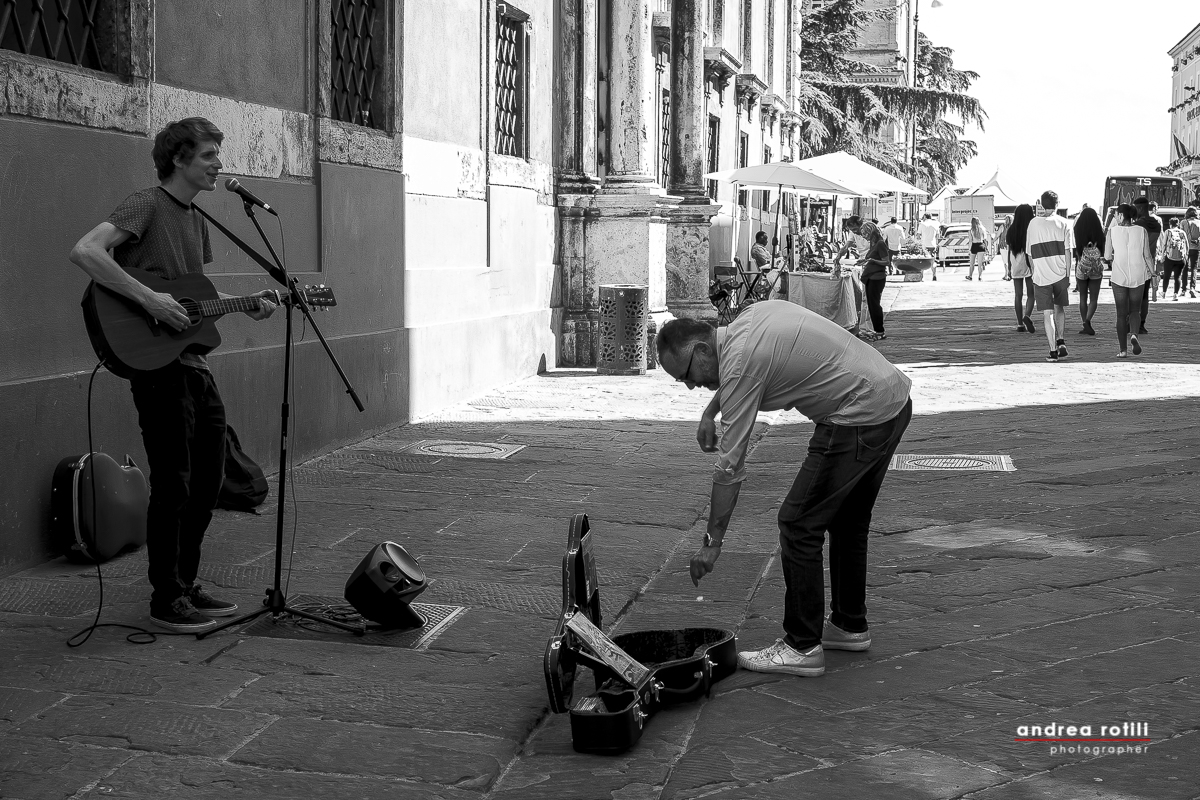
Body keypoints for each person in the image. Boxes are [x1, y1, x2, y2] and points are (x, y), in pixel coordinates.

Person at [68, 118, 278, 633]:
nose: (217, 164)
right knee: (174, 482)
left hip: (193, 364)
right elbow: (87, 251)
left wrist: (246, 305)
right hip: (156, 367)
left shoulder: (198, 219)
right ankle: (165, 598)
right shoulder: (146, 203)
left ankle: (185, 584)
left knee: (209, 479)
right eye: (208, 155)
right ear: (179, 159)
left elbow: (192, 295)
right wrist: (151, 300)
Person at [656, 303, 912, 677]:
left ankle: (802, 645)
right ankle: (849, 624)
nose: (691, 385)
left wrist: (712, 543)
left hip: (859, 414)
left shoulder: (740, 363)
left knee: (797, 524)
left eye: (686, 375)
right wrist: (710, 411)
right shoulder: (746, 322)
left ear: (702, 350)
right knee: (847, 521)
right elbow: (736, 373)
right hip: (891, 398)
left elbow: (729, 468)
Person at [1027, 190, 1073, 362]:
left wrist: (1034, 272)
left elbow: (1029, 253)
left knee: (1048, 314)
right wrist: (1068, 274)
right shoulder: (1065, 223)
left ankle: (1053, 351)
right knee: (1059, 308)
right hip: (1061, 274)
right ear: (1057, 203)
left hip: (1041, 276)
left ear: (1041, 204)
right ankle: (1061, 340)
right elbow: (1069, 251)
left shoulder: (1033, 224)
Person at [1104, 204, 1152, 357]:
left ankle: (1123, 350)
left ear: (1121, 215)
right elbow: (1147, 255)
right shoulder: (1141, 231)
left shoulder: (1112, 232)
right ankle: (1134, 335)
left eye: (1117, 214)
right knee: (1135, 310)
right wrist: (1154, 273)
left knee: (1120, 313)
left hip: (1119, 275)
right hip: (1138, 275)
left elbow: (1107, 256)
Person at [1072, 206, 1106, 335]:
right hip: (1096, 268)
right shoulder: (1099, 232)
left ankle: (1084, 322)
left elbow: (1077, 250)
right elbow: (1102, 251)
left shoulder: (1077, 230)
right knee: (1094, 298)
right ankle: (1088, 320)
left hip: (1082, 266)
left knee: (1082, 297)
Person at [856, 222, 891, 341]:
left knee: (874, 304)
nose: (863, 237)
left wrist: (873, 261)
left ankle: (880, 331)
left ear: (870, 232)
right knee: (871, 304)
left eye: (865, 234)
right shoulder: (873, 243)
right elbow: (872, 259)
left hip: (877, 277)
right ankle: (877, 330)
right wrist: (865, 261)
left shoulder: (880, 243)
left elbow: (886, 262)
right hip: (871, 276)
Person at [1006, 204, 1037, 334]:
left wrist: (1008, 266)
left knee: (1018, 295)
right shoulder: (1032, 229)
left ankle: (1019, 324)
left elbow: (1008, 250)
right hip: (1028, 261)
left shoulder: (1011, 229)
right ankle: (1027, 315)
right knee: (1031, 294)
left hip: (1015, 261)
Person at [1132, 197, 1161, 334]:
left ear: (1139, 208)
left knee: (1133, 295)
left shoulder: (1138, 225)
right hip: (1150, 264)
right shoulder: (1157, 224)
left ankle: (1132, 322)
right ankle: (1142, 324)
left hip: (1137, 263)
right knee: (1145, 296)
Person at [1161, 218, 1189, 300]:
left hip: (1169, 257)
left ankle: (1164, 293)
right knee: (1177, 276)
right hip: (1180, 259)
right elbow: (1186, 245)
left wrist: (1163, 255)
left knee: (1166, 276)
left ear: (1170, 224)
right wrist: (1185, 256)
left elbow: (1164, 244)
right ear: (1178, 224)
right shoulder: (1182, 232)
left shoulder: (1168, 231)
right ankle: (1175, 294)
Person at [1182, 207, 1200, 298]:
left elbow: (1181, 235)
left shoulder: (1183, 222)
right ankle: (1192, 288)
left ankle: (1183, 289)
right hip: (1195, 248)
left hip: (1185, 248)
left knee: (1184, 268)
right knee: (1194, 268)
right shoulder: (1199, 222)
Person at [966, 216, 989, 280]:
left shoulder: (970, 231)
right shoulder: (983, 229)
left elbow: (970, 241)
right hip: (981, 245)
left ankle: (970, 276)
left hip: (974, 245)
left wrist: (969, 250)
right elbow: (985, 239)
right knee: (980, 263)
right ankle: (980, 276)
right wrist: (986, 248)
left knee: (972, 263)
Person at [918, 214, 939, 280]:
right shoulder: (935, 224)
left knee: (923, 261)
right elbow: (938, 235)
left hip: (925, 245)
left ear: (925, 217)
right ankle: (934, 275)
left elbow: (918, 235)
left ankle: (922, 277)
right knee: (933, 260)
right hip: (933, 244)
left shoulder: (922, 224)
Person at [998, 214, 1014, 280]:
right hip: (1012, 245)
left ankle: (1006, 274)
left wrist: (992, 241)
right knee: (1011, 260)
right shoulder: (1014, 226)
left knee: (1005, 261)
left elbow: (997, 235)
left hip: (1003, 245)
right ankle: (1011, 274)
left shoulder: (1002, 226)